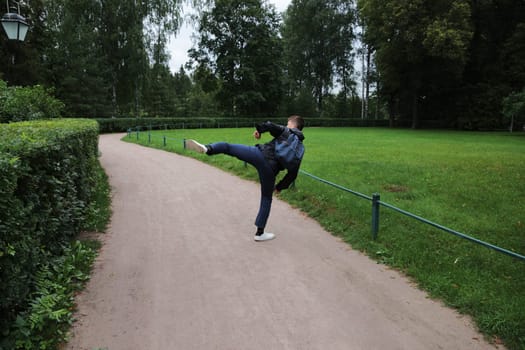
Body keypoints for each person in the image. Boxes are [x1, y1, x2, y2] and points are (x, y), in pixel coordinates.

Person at [185, 115, 305, 242]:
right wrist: (280, 187)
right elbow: (293, 173)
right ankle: (260, 233)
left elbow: (269, 125)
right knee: (266, 198)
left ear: (293, 124)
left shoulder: (287, 132)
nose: (286, 125)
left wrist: (259, 130)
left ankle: (208, 149)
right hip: (270, 171)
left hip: (259, 155)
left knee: (228, 147)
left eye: (288, 123)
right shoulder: (300, 149)